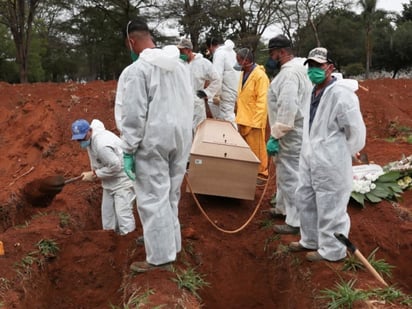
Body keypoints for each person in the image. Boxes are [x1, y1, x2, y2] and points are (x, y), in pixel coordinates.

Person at [119, 18, 193, 272]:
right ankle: (172, 244)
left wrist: (128, 149)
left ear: (131, 41)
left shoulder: (138, 70)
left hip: (153, 141)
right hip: (181, 138)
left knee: (153, 198)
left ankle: (161, 259)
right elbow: (190, 103)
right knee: (171, 193)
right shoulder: (180, 67)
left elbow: (133, 115)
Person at [289, 47, 366, 262]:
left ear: (330, 67)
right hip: (310, 156)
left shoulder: (341, 94)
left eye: (318, 66)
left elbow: (355, 130)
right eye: (310, 66)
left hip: (331, 159)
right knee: (305, 197)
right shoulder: (312, 92)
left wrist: (343, 152)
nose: (313, 70)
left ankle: (332, 250)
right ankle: (310, 240)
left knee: (330, 203)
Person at [265, 35, 313, 234]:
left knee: (290, 175)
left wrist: (276, 135)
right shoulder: (298, 68)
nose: (271, 58)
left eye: (272, 54)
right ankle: (283, 207)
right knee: (285, 172)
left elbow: (287, 107)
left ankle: (296, 221)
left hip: (290, 133)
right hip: (296, 130)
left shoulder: (289, 75)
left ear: (282, 52)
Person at [71, 118, 136, 235]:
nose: (80, 141)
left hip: (122, 181)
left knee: (123, 215)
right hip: (109, 183)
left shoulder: (101, 145)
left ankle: (128, 245)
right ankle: (110, 245)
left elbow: (116, 166)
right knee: (108, 217)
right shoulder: (91, 139)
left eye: (82, 137)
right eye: (78, 139)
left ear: (90, 130)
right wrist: (95, 173)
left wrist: (95, 174)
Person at [234, 48, 270, 184]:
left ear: (246, 61)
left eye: (238, 60)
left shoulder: (260, 76)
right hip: (243, 117)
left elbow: (263, 100)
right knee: (246, 148)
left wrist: (257, 121)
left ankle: (262, 174)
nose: (237, 63)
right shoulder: (244, 73)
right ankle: (248, 171)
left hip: (254, 119)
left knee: (257, 149)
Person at [177, 37, 221, 133]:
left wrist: (207, 93)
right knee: (184, 133)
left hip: (197, 105)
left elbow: (217, 79)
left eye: (181, 51)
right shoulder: (179, 64)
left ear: (188, 50)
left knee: (198, 132)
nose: (180, 54)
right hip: (182, 105)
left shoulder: (203, 63)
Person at [206, 37, 240, 128]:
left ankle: (233, 140)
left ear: (211, 47)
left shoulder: (219, 54)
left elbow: (217, 76)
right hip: (235, 89)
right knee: (227, 116)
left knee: (227, 119)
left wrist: (216, 94)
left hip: (226, 92)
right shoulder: (232, 52)